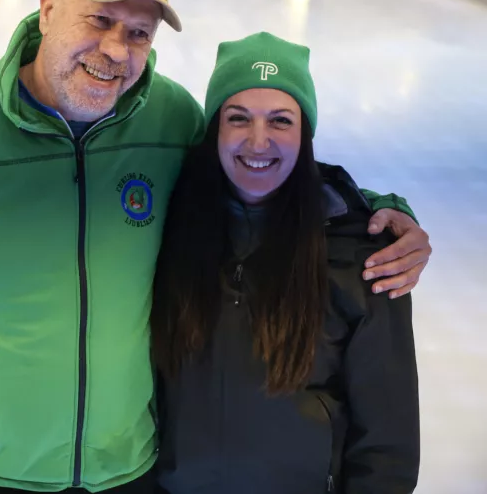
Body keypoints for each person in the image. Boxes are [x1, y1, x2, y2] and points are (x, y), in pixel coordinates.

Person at [0, 0, 431, 494]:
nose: (115, 50)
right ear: (48, 9)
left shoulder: (171, 119)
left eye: (138, 33)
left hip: (132, 472)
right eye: (97, 20)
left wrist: (380, 213)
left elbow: (262, 170)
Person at [151, 32, 420, 493]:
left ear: (305, 133)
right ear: (215, 128)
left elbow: (387, 441)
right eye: (238, 118)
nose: (258, 142)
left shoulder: (361, 256)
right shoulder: (166, 232)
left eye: (280, 120)